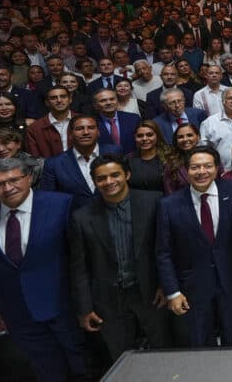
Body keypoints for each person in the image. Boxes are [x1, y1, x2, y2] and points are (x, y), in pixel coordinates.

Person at [0, 157, 85, 381]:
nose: (8, 188)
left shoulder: (62, 205)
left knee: (83, 364)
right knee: (47, 369)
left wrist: (86, 303)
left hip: (65, 305)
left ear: (29, 178)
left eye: (14, 180)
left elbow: (80, 258)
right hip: (17, 311)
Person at [68, 155, 171, 361]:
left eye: (115, 175)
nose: (108, 182)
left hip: (151, 293)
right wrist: (85, 308)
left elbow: (166, 249)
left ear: (127, 174)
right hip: (108, 299)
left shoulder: (154, 201)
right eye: (101, 178)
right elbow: (79, 267)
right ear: (95, 182)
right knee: (121, 356)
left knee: (164, 350)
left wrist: (165, 285)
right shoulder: (82, 217)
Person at [156, 147, 232, 347]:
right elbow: (163, 252)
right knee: (200, 343)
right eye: (195, 167)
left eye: (207, 166)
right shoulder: (168, 204)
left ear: (217, 168)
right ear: (186, 170)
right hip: (192, 286)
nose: (201, 171)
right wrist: (172, 292)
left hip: (231, 281)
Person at [39, 115, 122, 212]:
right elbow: (49, 200)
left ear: (98, 132)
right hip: (74, 221)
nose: (86, 132)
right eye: (79, 129)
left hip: (114, 215)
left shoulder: (115, 152)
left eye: (91, 128)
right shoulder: (54, 164)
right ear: (70, 134)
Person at [25, 85, 74, 159]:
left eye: (63, 96)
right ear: (47, 103)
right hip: (49, 169)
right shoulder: (34, 128)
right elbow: (35, 160)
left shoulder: (84, 121)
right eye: (53, 98)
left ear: (70, 99)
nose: (59, 100)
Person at [127, 120, 172, 192]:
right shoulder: (128, 159)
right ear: (135, 138)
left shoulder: (169, 156)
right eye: (140, 136)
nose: (144, 139)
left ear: (157, 136)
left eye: (150, 135)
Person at [163, 123, 201, 194]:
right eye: (180, 137)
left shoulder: (211, 158)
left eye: (189, 135)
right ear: (176, 141)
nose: (185, 139)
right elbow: (170, 194)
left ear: (198, 137)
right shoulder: (171, 165)